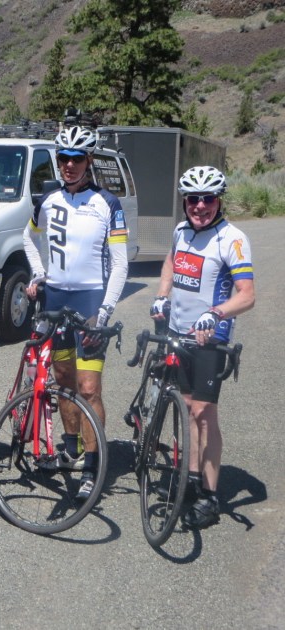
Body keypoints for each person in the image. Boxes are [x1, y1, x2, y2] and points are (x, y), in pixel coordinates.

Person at [23, 126, 129, 500]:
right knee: (64, 380)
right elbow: (28, 237)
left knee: (89, 387)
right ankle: (71, 449)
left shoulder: (107, 203)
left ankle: (93, 465)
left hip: (90, 304)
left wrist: (104, 312)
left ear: (89, 160)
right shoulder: (48, 200)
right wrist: (39, 273)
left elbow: (121, 264)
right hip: (55, 301)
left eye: (77, 158)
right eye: (63, 158)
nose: (69, 165)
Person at [150, 166, 255, 529]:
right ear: (185, 201)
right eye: (193, 199)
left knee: (204, 413)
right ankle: (191, 480)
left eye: (208, 199)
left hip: (211, 339)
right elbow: (170, 261)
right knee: (187, 408)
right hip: (178, 333)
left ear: (218, 201)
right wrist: (161, 295)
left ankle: (209, 496)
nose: (200, 206)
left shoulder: (232, 239)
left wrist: (216, 313)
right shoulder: (181, 231)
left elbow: (247, 295)